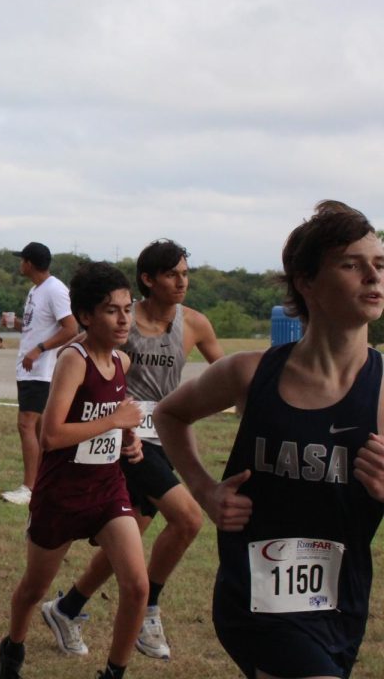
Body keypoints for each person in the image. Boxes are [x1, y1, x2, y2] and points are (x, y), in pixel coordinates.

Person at [157, 201, 384, 679]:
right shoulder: (249, 374)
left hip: (342, 607)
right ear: (306, 282)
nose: (373, 276)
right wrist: (206, 492)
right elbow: (169, 414)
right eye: (352, 264)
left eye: (380, 265)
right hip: (254, 600)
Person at [44, 240, 222, 661]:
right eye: (172, 274)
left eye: (185, 273)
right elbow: (92, 366)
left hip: (163, 439)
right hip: (126, 442)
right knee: (189, 518)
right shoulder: (122, 321)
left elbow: (226, 373)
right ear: (148, 280)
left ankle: (67, 608)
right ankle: (149, 608)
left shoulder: (194, 324)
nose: (182, 282)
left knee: (127, 542)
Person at [0, 261, 148, 679]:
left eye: (128, 309)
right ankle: (13, 651)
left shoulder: (122, 363)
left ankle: (114, 672)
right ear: (86, 316)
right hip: (61, 496)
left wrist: (127, 439)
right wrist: (115, 422)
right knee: (33, 589)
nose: (123, 319)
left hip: (107, 490)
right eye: (112, 310)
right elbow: (52, 435)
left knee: (137, 585)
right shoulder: (73, 360)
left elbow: (112, 418)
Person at [1, 242, 78, 505]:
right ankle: (49, 483)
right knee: (43, 429)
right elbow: (40, 326)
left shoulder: (55, 290)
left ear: (29, 264)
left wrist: (40, 349)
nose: (19, 264)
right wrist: (17, 324)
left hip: (41, 371)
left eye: (21, 260)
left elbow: (71, 328)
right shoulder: (37, 290)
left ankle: (30, 487)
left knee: (26, 424)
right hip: (30, 369)